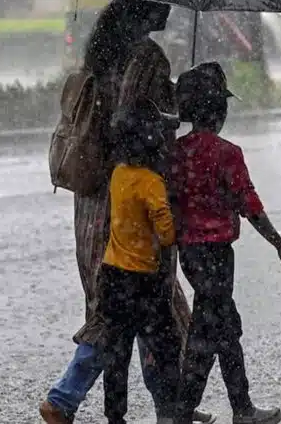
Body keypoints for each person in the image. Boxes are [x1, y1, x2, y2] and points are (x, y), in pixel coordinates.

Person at [53, 0, 214, 424]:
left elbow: (117, 118)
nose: (170, 9)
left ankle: (173, 401)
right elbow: (137, 123)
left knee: (143, 302)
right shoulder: (146, 57)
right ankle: (63, 400)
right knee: (129, 306)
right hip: (130, 199)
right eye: (161, 2)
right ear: (143, 9)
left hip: (94, 200)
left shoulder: (101, 53)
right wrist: (179, 107)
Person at [170, 63, 281, 424]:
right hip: (217, 255)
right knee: (214, 329)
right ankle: (218, 411)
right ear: (219, 110)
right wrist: (280, 244)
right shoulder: (226, 153)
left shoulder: (175, 152)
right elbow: (250, 205)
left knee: (219, 326)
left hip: (188, 254)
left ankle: (222, 408)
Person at [40, 98, 182, 424]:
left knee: (113, 350)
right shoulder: (152, 183)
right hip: (144, 280)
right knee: (163, 345)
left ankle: (103, 412)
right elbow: (167, 234)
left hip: (113, 276)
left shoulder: (119, 174)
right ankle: (171, 412)